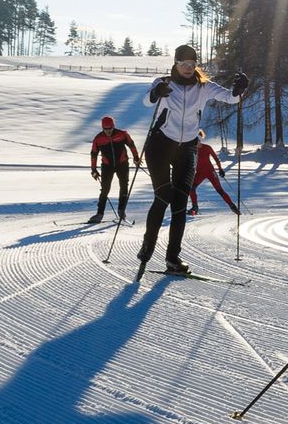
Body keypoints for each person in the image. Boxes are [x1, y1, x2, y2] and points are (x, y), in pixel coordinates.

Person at [136, 45, 248, 275]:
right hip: (160, 144)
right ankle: (148, 245)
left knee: (179, 203)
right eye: (183, 64)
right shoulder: (164, 82)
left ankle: (173, 258)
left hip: (187, 147)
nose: (188, 68)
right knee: (163, 195)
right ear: (175, 64)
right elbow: (147, 101)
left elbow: (229, 98)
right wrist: (157, 92)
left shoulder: (204, 87)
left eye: (192, 64)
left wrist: (239, 89)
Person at [87, 116, 140, 223]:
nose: (108, 131)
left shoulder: (122, 134)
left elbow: (131, 144)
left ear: (113, 126)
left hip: (122, 164)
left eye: (110, 128)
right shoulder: (98, 139)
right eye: (106, 129)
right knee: (105, 189)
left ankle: (121, 211)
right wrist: (93, 169)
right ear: (102, 128)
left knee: (124, 186)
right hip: (107, 166)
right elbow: (94, 154)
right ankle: (99, 214)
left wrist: (136, 158)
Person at [188, 129, 239, 216]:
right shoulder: (192, 150)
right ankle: (195, 207)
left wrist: (220, 169)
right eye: (194, 141)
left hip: (210, 172)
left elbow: (216, 158)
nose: (196, 144)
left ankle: (232, 206)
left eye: (197, 141)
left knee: (219, 190)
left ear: (200, 140)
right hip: (199, 173)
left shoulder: (207, 147)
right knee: (191, 189)